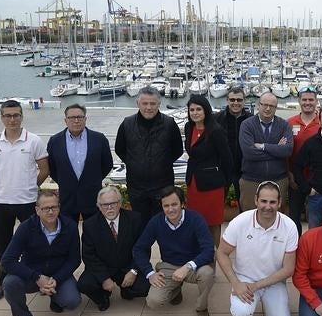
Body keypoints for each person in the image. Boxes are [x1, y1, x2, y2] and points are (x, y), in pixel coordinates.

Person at [0, 99, 49, 301]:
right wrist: (3, 187)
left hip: (28, 202)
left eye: (16, 115)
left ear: (22, 116)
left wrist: (29, 186)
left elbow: (45, 170)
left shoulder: (34, 140)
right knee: (2, 248)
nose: (12, 119)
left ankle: (36, 279)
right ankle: (3, 283)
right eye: (8, 116)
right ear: (2, 117)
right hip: (1, 203)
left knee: (34, 245)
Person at [217, 181, 298, 316]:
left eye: (273, 202)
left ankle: (272, 310)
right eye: (264, 201)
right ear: (256, 200)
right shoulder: (240, 221)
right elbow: (221, 253)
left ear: (279, 202)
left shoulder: (290, 226)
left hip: (273, 281)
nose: (268, 206)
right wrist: (236, 283)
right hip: (244, 279)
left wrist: (257, 286)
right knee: (241, 312)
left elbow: (289, 268)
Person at [1, 190, 81, 316]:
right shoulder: (26, 228)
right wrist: (37, 277)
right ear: (37, 210)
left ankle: (54, 296)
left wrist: (56, 279)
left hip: (58, 275)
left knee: (72, 301)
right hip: (32, 275)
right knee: (9, 283)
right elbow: (7, 261)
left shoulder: (70, 226)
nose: (51, 212)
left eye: (54, 207)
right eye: (45, 208)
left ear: (59, 207)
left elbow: (74, 259)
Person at [133, 185, 215, 316]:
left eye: (174, 204)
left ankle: (202, 308)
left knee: (208, 273)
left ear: (183, 204)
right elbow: (139, 248)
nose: (170, 209)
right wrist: (149, 273)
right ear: (162, 207)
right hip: (169, 265)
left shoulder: (195, 219)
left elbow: (209, 249)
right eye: (166, 206)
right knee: (153, 301)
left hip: (194, 265)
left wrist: (188, 266)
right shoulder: (155, 222)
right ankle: (176, 290)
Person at [115, 86, 184, 222]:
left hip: (163, 185)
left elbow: (177, 150)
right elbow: (120, 149)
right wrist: (135, 163)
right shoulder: (127, 124)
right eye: (145, 103)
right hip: (136, 187)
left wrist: (161, 163)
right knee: (140, 227)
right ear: (138, 104)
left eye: (153, 103)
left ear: (159, 104)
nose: (149, 107)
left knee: (164, 224)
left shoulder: (169, 124)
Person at [77, 186, 149, 311]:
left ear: (120, 203)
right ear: (99, 206)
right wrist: (104, 278)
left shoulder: (135, 219)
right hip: (105, 267)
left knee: (146, 286)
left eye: (113, 203)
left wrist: (133, 271)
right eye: (105, 204)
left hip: (127, 267)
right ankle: (102, 297)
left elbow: (143, 249)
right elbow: (88, 256)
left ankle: (127, 291)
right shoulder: (90, 225)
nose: (109, 208)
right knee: (84, 284)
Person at [47, 103, 113, 223]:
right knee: (68, 236)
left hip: (93, 197)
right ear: (65, 120)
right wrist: (66, 182)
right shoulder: (55, 141)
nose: (76, 121)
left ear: (85, 119)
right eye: (72, 118)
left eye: (80, 117)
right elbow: (51, 168)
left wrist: (92, 180)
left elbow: (107, 164)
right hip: (67, 198)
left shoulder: (99, 139)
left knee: (93, 235)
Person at [184, 94, 233, 248]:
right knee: (195, 222)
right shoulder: (188, 127)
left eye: (198, 109)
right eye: (191, 109)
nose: (195, 112)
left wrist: (224, 183)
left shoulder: (216, 131)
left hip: (212, 186)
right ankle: (197, 256)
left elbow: (227, 159)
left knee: (213, 223)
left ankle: (212, 258)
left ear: (206, 110)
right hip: (193, 184)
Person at [238, 92, 293, 212]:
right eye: (264, 105)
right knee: (249, 218)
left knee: (277, 219)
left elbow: (287, 150)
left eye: (272, 106)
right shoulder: (247, 125)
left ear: (276, 108)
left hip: (278, 180)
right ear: (258, 105)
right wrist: (277, 149)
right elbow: (248, 153)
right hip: (251, 180)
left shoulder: (284, 125)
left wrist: (263, 146)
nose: (268, 108)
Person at [287, 86, 321, 235]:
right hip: (295, 178)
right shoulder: (289, 123)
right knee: (294, 218)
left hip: (317, 179)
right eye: (304, 99)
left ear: (316, 101)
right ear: (299, 101)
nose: (308, 103)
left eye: (311, 100)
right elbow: (286, 152)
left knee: (316, 218)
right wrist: (289, 174)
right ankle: (296, 249)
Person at [214, 87, 252, 210]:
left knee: (245, 208)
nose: (236, 103)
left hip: (244, 169)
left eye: (239, 100)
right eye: (232, 100)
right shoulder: (216, 119)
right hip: (222, 169)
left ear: (244, 101)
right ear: (227, 100)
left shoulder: (251, 120)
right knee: (217, 206)